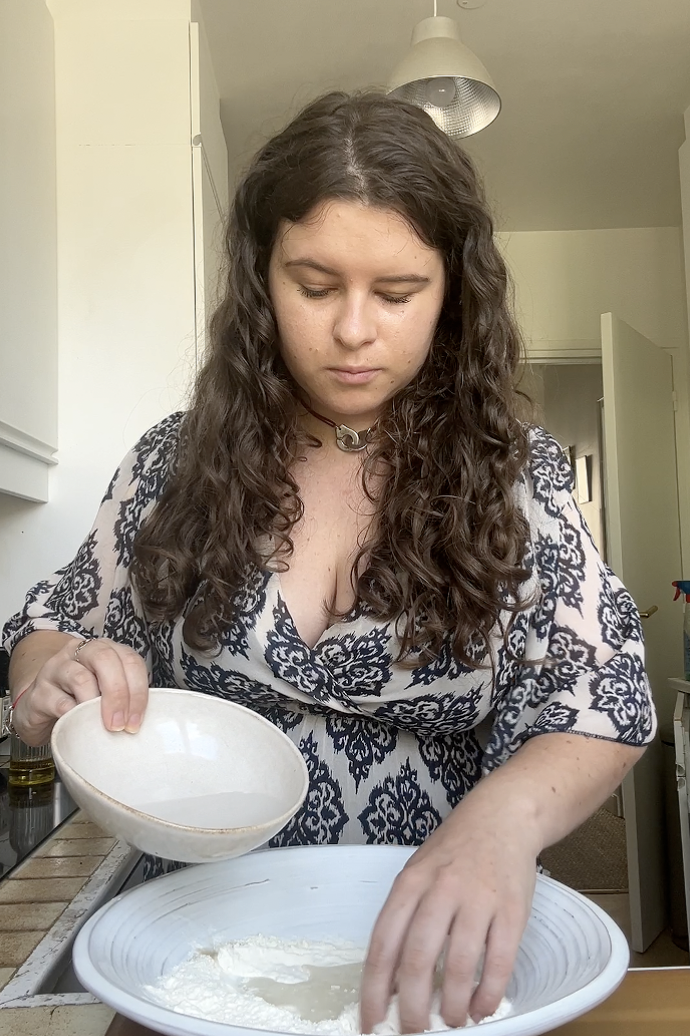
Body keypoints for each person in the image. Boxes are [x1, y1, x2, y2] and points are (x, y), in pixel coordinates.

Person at [2, 91, 654, 1032]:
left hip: (430, 963)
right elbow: (48, 629)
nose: (354, 331)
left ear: (453, 291)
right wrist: (49, 678)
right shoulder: (171, 465)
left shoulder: (519, 476)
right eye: (314, 286)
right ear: (261, 278)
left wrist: (504, 823)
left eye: (397, 294)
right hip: (194, 965)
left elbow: (603, 698)